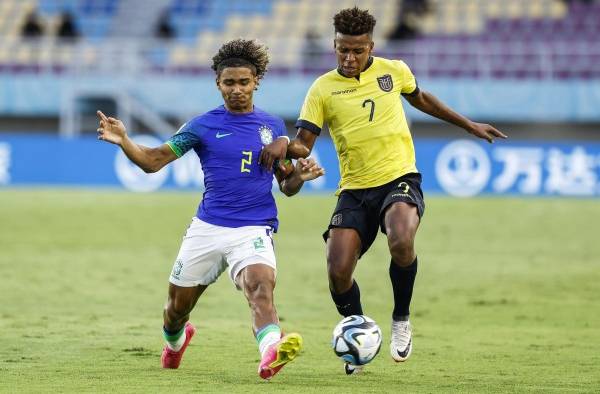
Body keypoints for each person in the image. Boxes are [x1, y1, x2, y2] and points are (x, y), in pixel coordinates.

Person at [259, 7, 507, 374]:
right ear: (334, 45)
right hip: (355, 188)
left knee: (401, 239)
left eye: (357, 50)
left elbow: (421, 98)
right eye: (342, 49)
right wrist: (283, 143)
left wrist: (468, 125)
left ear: (371, 46)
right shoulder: (322, 88)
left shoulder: (394, 71)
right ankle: (360, 334)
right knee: (337, 271)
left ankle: (401, 319)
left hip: (399, 176)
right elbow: (304, 143)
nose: (349, 57)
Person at [96, 39, 325, 380]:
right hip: (208, 227)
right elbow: (154, 162)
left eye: (243, 82)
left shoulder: (272, 127)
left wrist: (300, 178)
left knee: (260, 287)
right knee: (175, 310)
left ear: (256, 81)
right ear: (218, 83)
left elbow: (287, 186)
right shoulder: (201, 126)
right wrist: (126, 141)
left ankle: (271, 352)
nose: (236, 90)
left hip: (254, 227)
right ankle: (175, 343)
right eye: (229, 83)